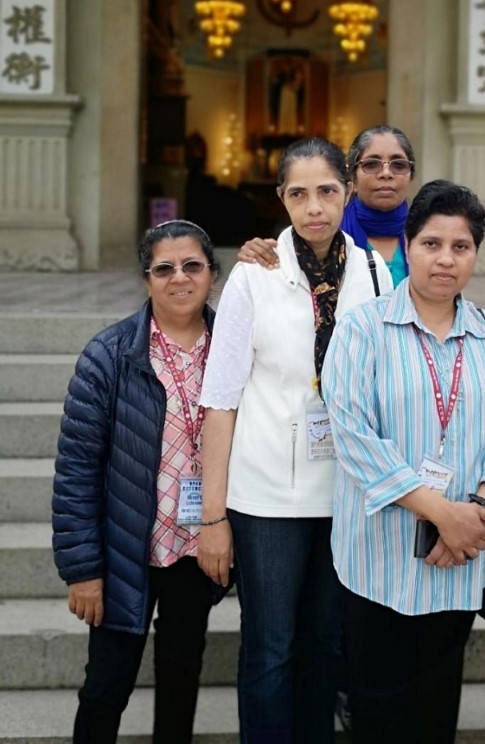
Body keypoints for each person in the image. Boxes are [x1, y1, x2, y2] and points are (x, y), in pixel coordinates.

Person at [322, 180, 485, 744]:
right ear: (408, 245)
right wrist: (441, 513)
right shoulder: (363, 328)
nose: (445, 259)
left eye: (460, 247)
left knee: (436, 710)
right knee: (377, 711)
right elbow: (353, 434)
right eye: (432, 244)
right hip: (378, 560)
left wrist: (476, 510)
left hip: (458, 559)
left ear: (474, 254)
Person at [196, 137, 392, 744]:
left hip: (345, 492)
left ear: (348, 193)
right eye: (299, 194)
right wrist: (212, 517)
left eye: (327, 191)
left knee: (326, 642)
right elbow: (220, 400)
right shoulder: (253, 275)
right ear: (281, 198)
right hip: (266, 498)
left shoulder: (374, 274)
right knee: (270, 647)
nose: (314, 207)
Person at [52, 220, 222, 744]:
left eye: (192, 266)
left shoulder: (235, 350)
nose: (179, 278)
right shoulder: (109, 355)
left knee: (182, 675)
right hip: (126, 547)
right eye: (164, 268)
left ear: (212, 274)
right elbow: (77, 469)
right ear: (146, 279)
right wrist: (83, 569)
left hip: (197, 545)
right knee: (106, 685)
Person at [238, 124, 415, 286]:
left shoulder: (424, 231)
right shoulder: (324, 230)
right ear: (352, 178)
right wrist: (258, 254)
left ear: (411, 174)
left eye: (399, 165)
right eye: (371, 164)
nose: (386, 173)